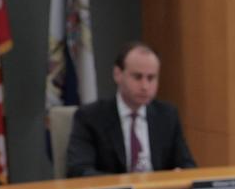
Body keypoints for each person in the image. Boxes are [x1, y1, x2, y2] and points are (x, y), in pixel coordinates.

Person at [65, 43, 196, 177]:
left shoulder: (167, 115)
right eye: (137, 77)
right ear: (117, 74)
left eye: (151, 78)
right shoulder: (90, 117)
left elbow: (187, 165)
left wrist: (180, 174)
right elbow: (79, 170)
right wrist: (124, 185)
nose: (145, 86)